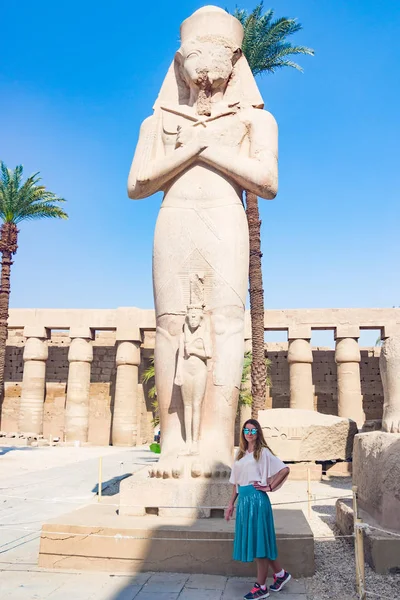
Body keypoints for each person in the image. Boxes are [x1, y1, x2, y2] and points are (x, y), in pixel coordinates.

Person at [225, 419, 291, 598]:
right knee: (259, 541)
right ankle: (280, 575)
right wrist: (230, 504)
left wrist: (269, 487)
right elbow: (236, 483)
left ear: (258, 433)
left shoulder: (263, 453)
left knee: (259, 543)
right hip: (244, 502)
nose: (249, 433)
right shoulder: (240, 455)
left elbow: (284, 470)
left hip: (257, 501)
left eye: (253, 431)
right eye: (246, 430)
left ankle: (261, 587)